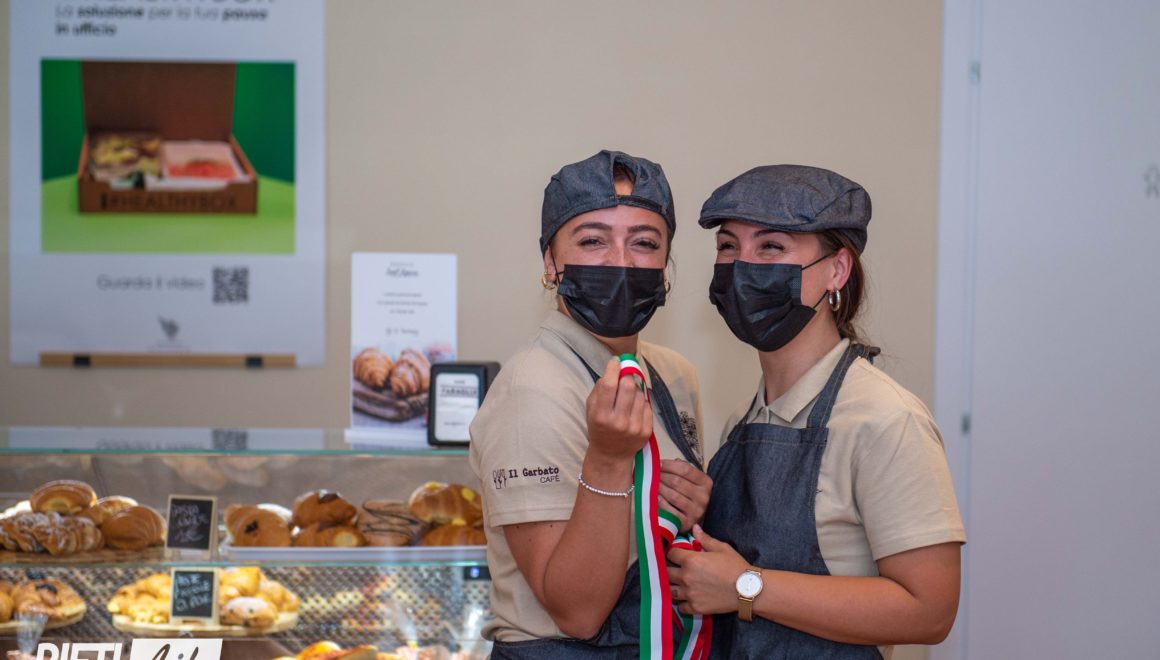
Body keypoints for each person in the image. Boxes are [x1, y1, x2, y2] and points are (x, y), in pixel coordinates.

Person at [667, 165, 966, 659]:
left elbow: (930, 610)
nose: (743, 266)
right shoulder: (742, 422)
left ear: (837, 270)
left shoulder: (885, 420)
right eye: (728, 246)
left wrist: (746, 587)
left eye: (772, 247)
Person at [469, 150, 714, 658]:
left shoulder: (673, 375)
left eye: (644, 243)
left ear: (666, 267)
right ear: (550, 263)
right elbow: (577, 613)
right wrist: (606, 461)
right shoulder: (532, 391)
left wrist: (686, 513)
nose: (620, 261)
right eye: (592, 241)